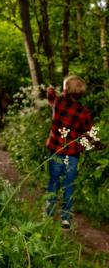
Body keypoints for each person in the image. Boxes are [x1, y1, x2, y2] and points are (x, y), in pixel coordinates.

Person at [45, 75, 94, 229]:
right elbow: (89, 132)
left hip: (56, 150)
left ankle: (49, 213)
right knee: (68, 184)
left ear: (65, 90)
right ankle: (66, 218)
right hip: (72, 154)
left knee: (54, 181)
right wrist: (95, 144)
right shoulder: (84, 112)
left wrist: (51, 89)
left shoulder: (58, 102)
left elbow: (50, 94)